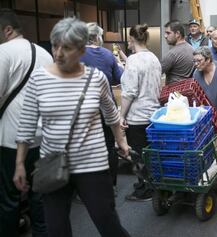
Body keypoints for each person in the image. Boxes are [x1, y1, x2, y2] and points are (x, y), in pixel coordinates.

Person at [13, 17, 130, 237]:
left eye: (66, 48)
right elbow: (27, 124)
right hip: (53, 163)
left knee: (107, 223)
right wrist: (20, 163)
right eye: (55, 45)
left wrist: (121, 141)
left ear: (82, 49)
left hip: (93, 165)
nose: (58, 53)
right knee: (56, 229)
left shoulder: (96, 78)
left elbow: (111, 114)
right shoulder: (39, 79)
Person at [0, 8, 53, 237]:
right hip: (43, 138)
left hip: (12, 140)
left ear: (7, 30)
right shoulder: (45, 54)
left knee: (9, 198)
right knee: (40, 197)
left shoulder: (3, 52)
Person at [80, 22, 124, 195]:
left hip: (84, 109)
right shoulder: (107, 54)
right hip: (106, 107)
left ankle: (89, 188)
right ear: (98, 37)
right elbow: (118, 79)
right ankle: (110, 186)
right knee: (109, 146)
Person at [120, 24, 161, 201]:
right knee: (149, 153)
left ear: (131, 40)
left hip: (137, 116)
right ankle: (150, 184)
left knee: (137, 155)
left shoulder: (133, 61)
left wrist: (121, 115)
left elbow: (129, 92)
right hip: (152, 113)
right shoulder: (154, 58)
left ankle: (145, 190)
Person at [162, 20, 194, 85]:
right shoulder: (192, 49)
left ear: (177, 34)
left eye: (168, 33)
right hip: (186, 91)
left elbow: (157, 72)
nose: (165, 36)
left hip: (173, 92)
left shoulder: (172, 54)